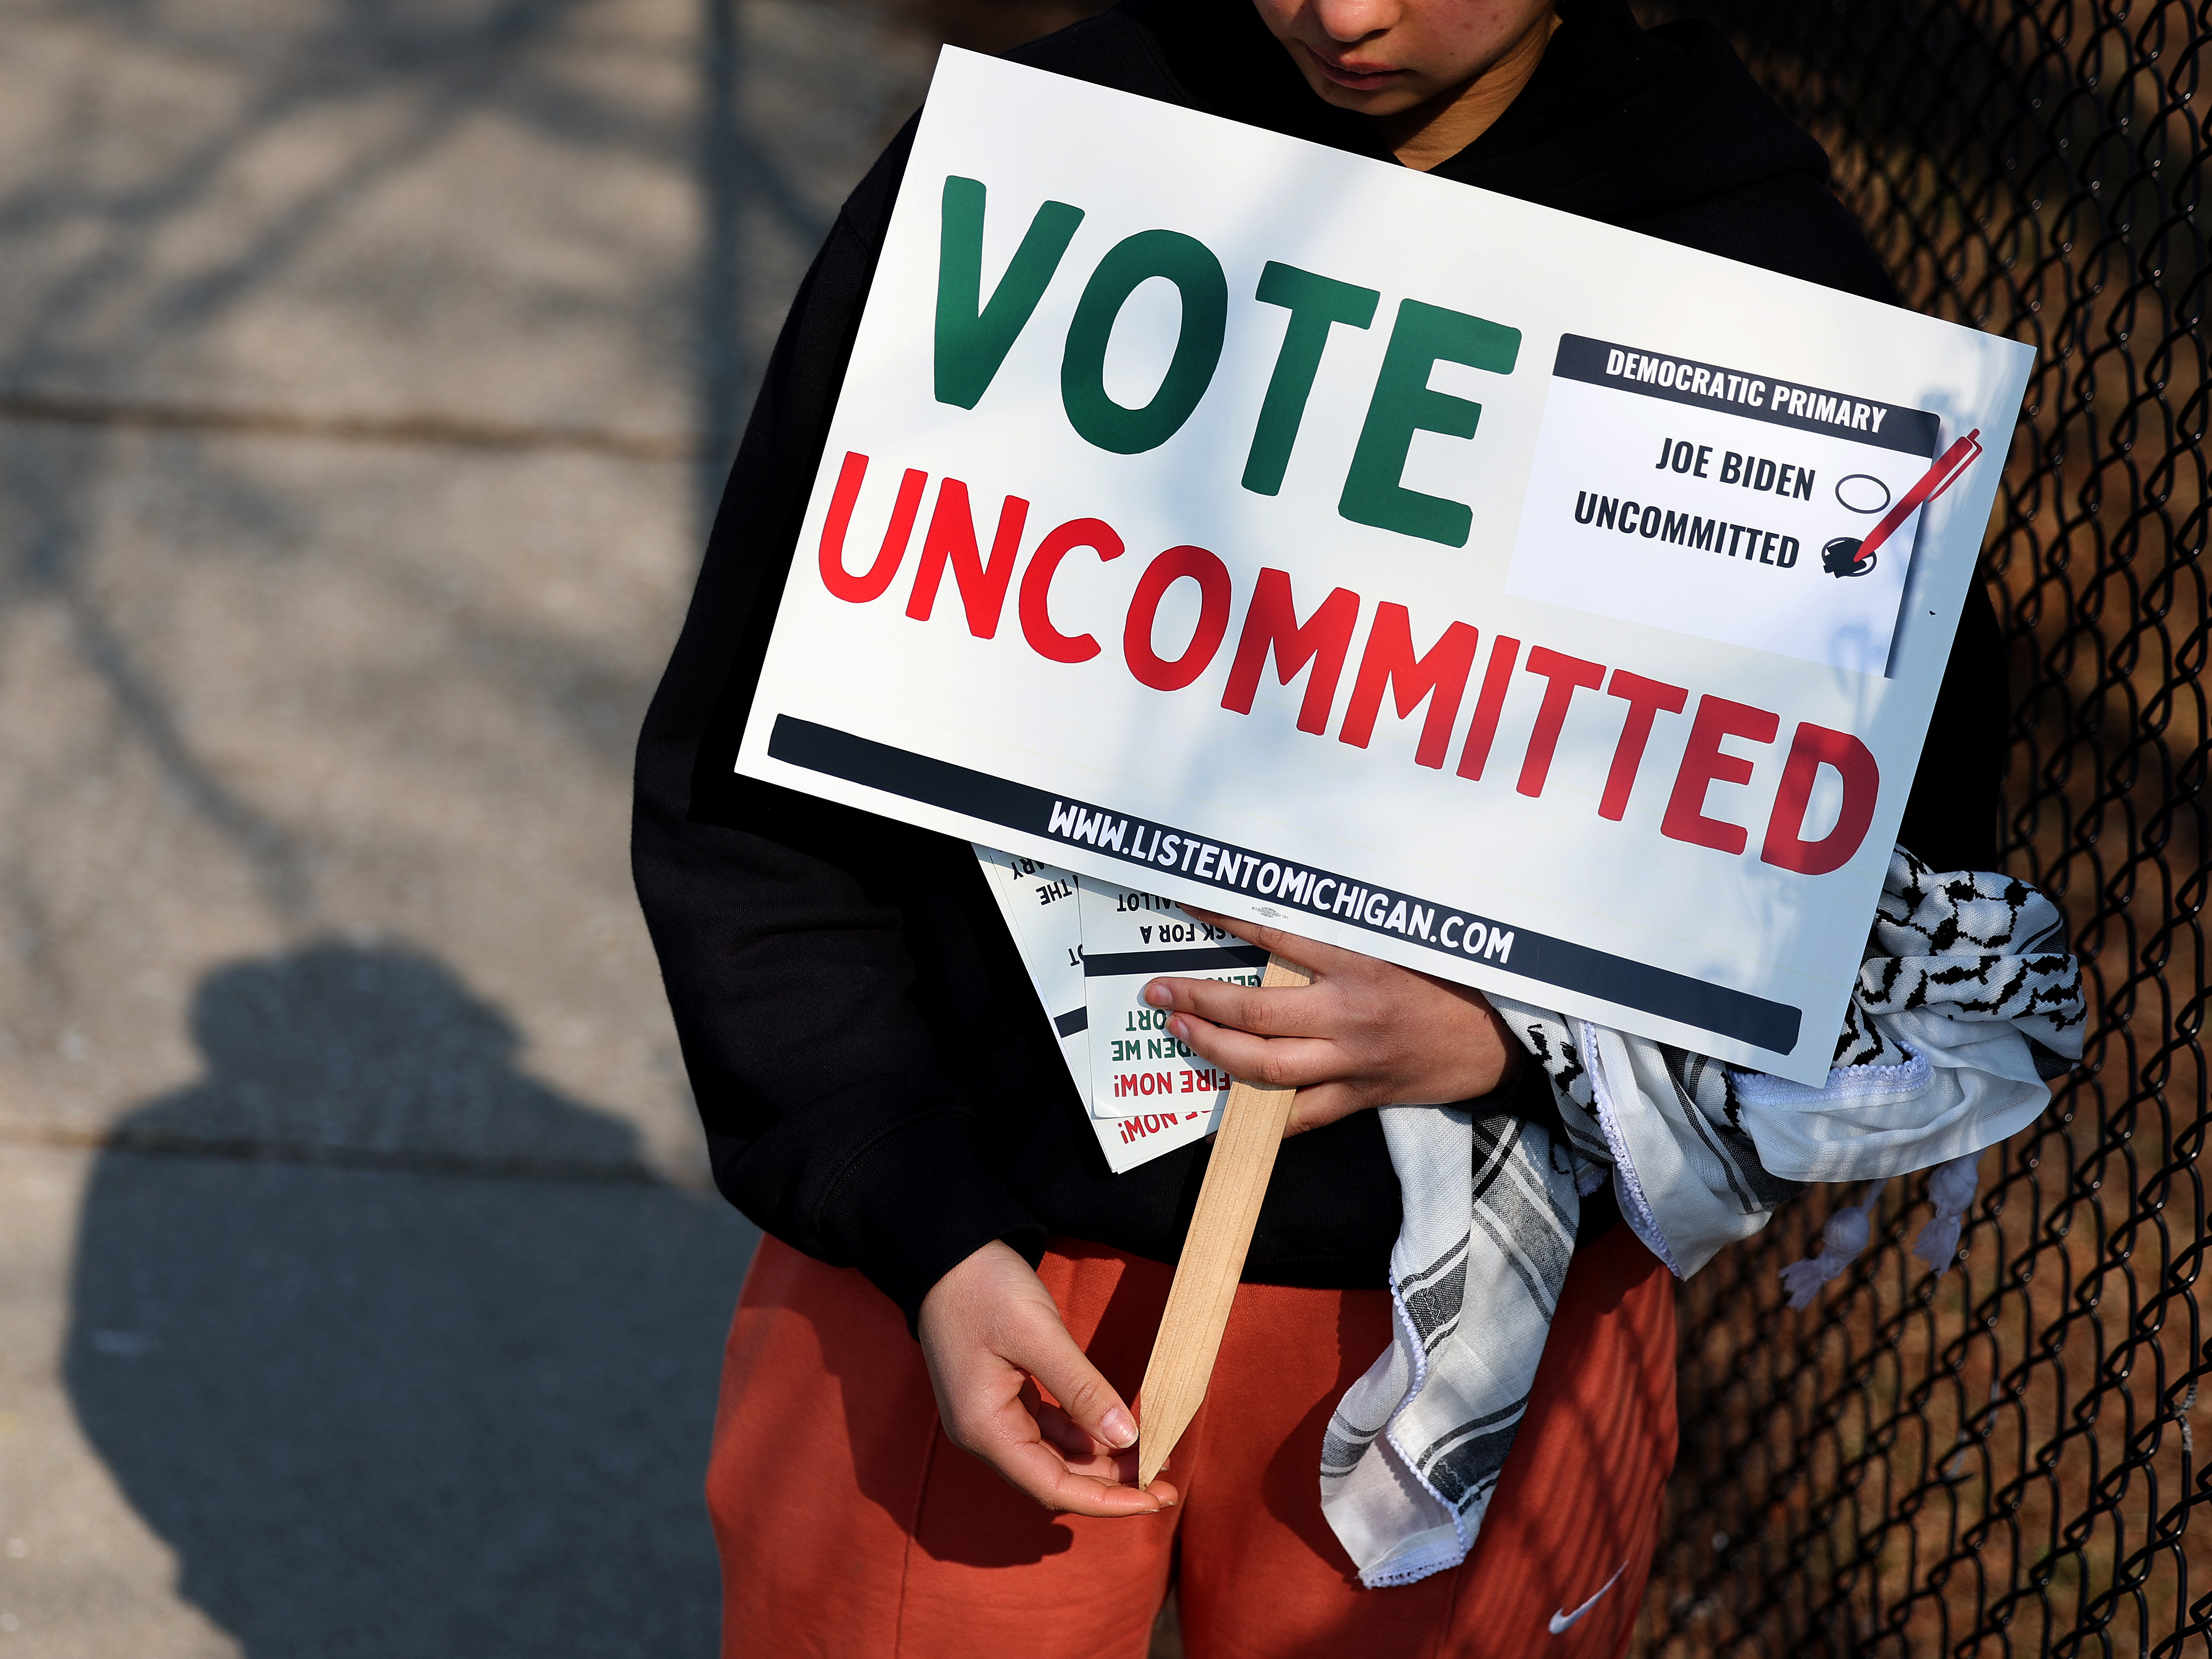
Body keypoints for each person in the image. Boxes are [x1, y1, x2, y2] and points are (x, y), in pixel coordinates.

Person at [631, 0, 2009, 1653]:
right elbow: (754, 789)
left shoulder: (1764, 286)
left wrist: (1519, 1033)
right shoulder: (1038, 172)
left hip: (1475, 1304)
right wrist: (910, 1213)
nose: (1342, 8)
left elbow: (1869, 898)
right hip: (959, 1243)